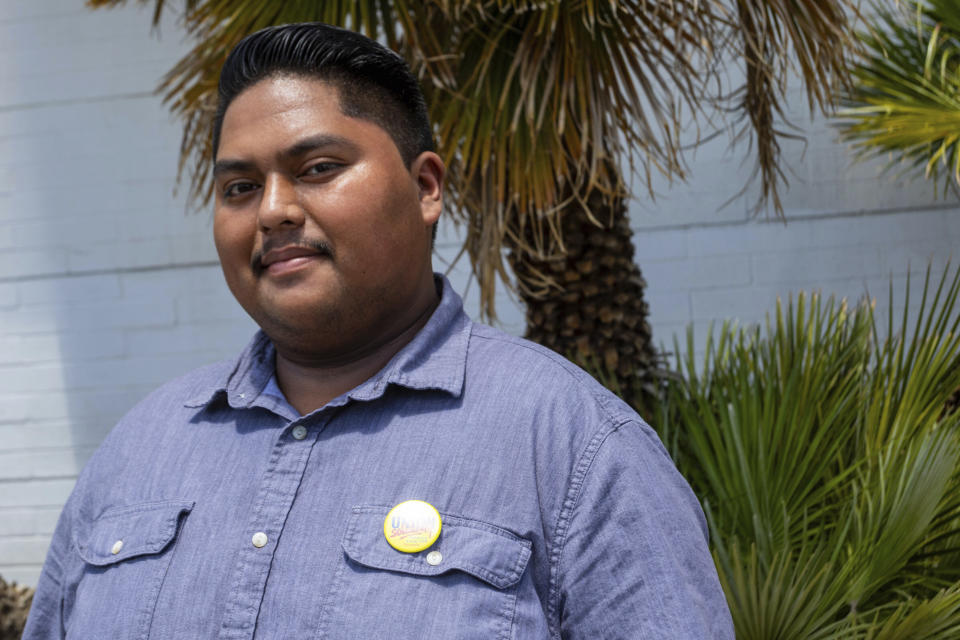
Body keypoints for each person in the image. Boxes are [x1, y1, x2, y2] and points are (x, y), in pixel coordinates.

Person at [23, 23, 734, 639]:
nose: (272, 210)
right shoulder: (137, 454)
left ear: (426, 187)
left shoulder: (573, 449)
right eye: (240, 188)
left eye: (319, 168)